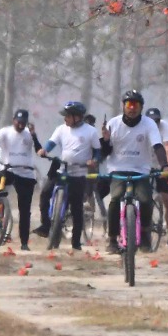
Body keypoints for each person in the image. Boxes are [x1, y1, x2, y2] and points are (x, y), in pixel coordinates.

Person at [101, 90, 168, 253]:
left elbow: (158, 146)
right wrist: (104, 140)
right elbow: (104, 152)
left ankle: (145, 234)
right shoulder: (113, 123)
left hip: (141, 170)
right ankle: (112, 239)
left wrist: (165, 165)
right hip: (118, 169)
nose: (132, 108)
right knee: (115, 199)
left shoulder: (149, 124)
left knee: (146, 199)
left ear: (141, 107)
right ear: (123, 106)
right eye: (129, 105)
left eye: (136, 105)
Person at [36, 100, 100, 251]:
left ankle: (76, 243)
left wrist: (94, 161)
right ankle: (45, 225)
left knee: (77, 207)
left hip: (78, 173)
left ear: (77, 117)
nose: (65, 119)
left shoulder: (90, 131)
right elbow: (51, 143)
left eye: (68, 116)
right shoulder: (61, 129)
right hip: (61, 169)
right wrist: (44, 150)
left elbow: (97, 151)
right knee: (45, 193)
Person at [0, 109, 42, 251]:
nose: (20, 125)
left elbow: (39, 149)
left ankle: (24, 242)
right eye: (18, 122)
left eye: (23, 123)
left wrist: (34, 135)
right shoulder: (4, 132)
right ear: (13, 120)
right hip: (9, 170)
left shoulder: (29, 134)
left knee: (24, 210)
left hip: (26, 173)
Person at [147, 106, 168, 251]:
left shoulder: (165, 126)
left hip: (162, 165)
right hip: (145, 166)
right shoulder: (142, 126)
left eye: (157, 121)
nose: (155, 124)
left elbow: (167, 148)